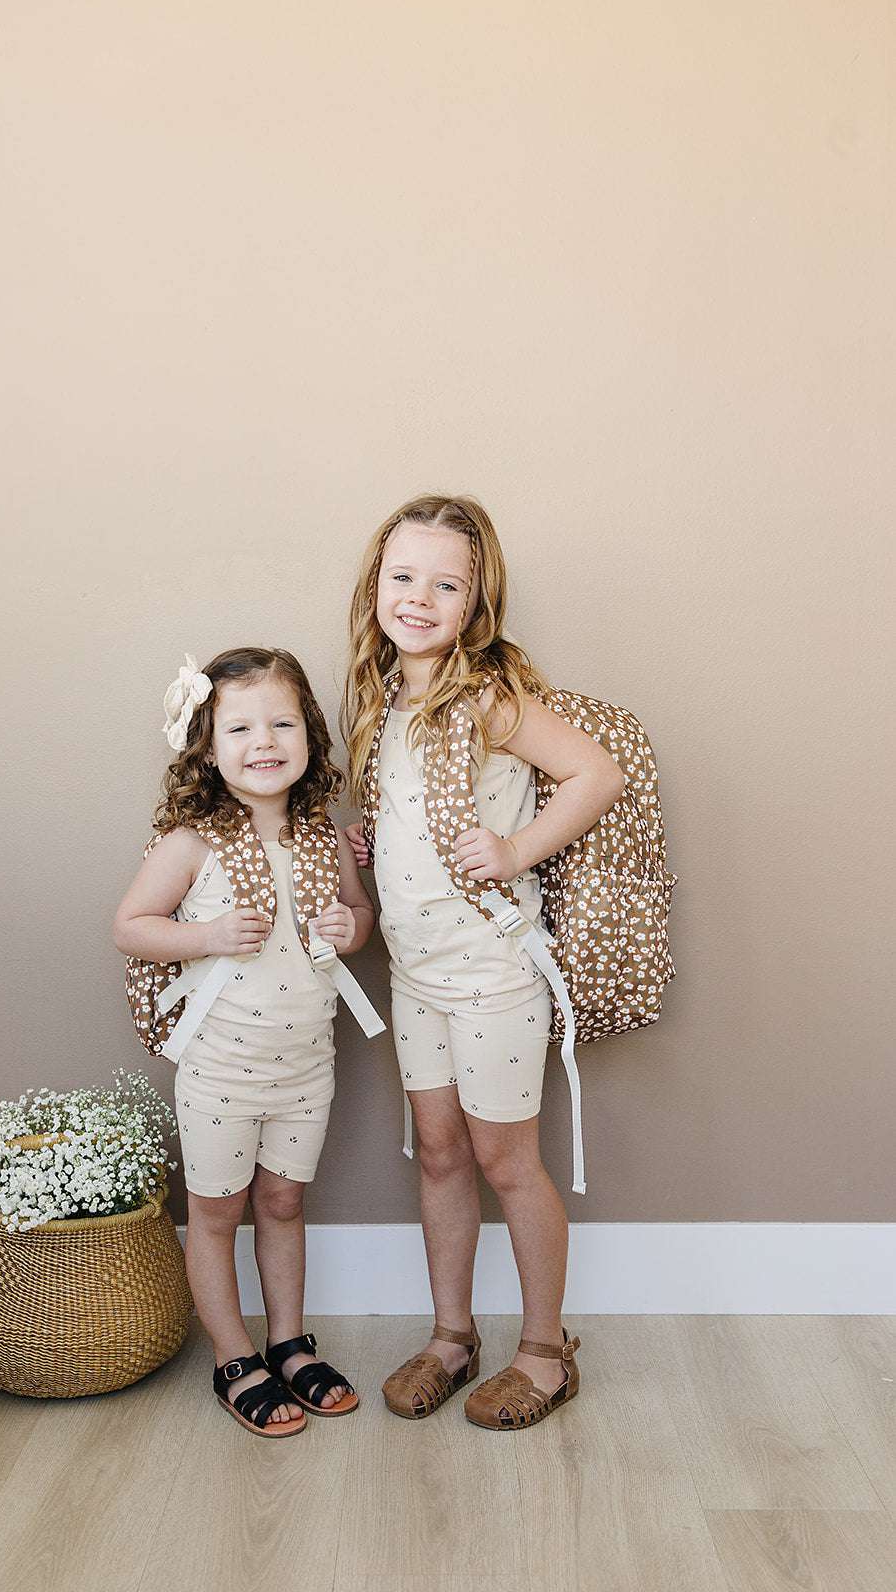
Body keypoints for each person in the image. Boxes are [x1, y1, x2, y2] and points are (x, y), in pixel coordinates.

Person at [340, 495, 626, 1430]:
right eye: (403, 576)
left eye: (445, 584)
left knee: (506, 1158)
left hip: (492, 971)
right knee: (439, 1154)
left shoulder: (486, 701)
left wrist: (513, 852)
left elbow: (596, 773)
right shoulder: (382, 700)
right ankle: (450, 1336)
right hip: (416, 973)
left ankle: (545, 1353)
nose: (418, 598)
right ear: (376, 586)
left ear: (474, 605)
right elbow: (413, 822)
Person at [115, 647, 375, 1437]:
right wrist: (208, 933)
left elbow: (358, 919)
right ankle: (233, 1356)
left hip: (306, 1065)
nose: (263, 742)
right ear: (207, 745)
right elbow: (131, 928)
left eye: (282, 723)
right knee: (219, 1212)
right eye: (240, 728)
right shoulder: (191, 841)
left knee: (284, 1204)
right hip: (222, 1067)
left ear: (309, 737)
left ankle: (288, 1343)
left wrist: (347, 926)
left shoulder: (324, 839)